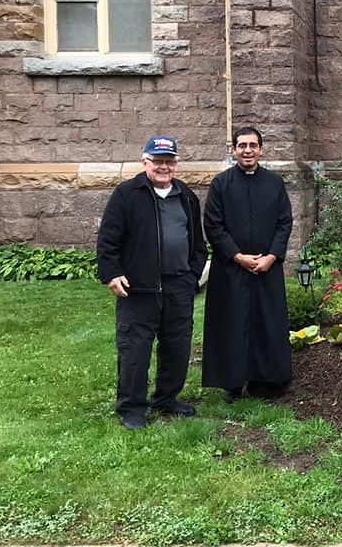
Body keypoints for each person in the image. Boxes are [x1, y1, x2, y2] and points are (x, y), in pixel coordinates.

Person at [96, 135, 208, 430]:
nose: (164, 166)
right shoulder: (126, 194)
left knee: (177, 346)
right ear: (145, 161)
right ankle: (132, 408)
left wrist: (192, 275)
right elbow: (108, 240)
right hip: (138, 289)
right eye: (158, 161)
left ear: (176, 164)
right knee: (135, 350)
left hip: (178, 287)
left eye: (169, 161)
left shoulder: (186, 196)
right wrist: (111, 273)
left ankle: (166, 399)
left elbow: (198, 243)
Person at [201, 127, 294, 402]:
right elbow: (213, 225)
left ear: (261, 150)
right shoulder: (221, 184)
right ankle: (232, 383)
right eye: (242, 145)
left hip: (267, 268)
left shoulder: (275, 183)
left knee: (267, 322)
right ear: (233, 150)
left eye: (253, 145)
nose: (248, 150)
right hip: (231, 268)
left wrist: (272, 256)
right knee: (232, 323)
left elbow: (284, 222)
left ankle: (266, 381)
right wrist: (237, 256)